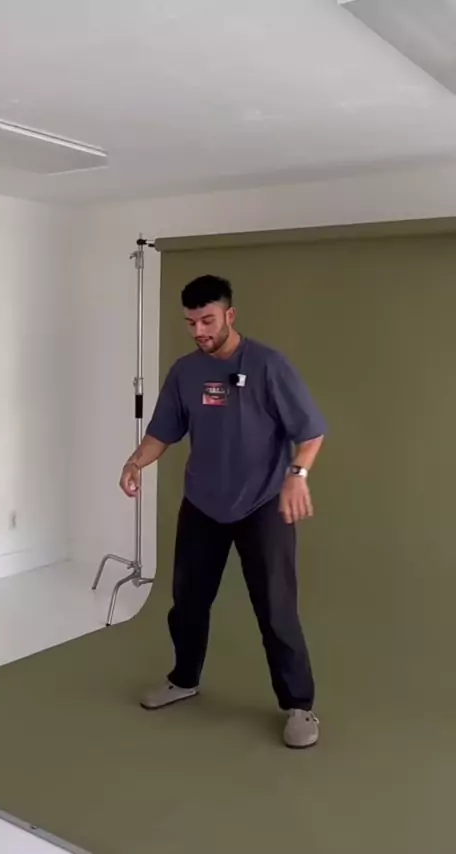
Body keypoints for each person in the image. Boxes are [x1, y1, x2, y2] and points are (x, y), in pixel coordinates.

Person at [119, 274, 326, 748]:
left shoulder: (269, 365)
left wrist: (297, 475)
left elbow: (311, 433)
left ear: (229, 315)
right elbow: (162, 432)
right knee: (188, 602)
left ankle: (299, 705)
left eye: (208, 320)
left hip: (262, 504)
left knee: (275, 609)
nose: (199, 331)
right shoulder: (185, 373)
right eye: (191, 322)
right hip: (203, 504)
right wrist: (134, 462)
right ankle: (184, 678)